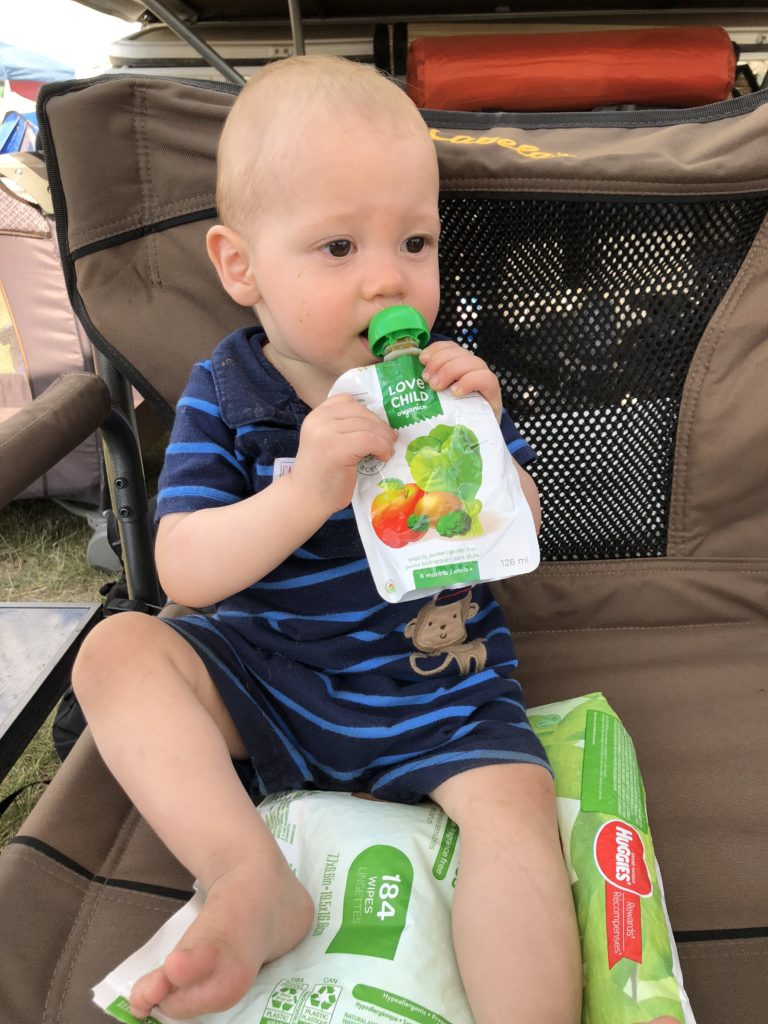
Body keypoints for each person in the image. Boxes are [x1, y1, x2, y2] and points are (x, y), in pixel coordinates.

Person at [72, 55, 581, 1024]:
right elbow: (182, 568)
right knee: (118, 650)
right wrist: (307, 488)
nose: (389, 276)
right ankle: (248, 875)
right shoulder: (226, 394)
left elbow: (526, 531)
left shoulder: (446, 387)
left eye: (416, 241)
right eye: (339, 246)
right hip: (262, 675)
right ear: (241, 266)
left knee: (517, 813)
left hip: (436, 680)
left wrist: (489, 436)